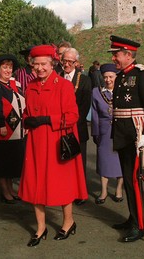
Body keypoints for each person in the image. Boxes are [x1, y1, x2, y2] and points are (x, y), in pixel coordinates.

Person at [18, 45, 87, 247]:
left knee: (62, 184)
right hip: (36, 143)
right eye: (36, 64)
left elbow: (73, 116)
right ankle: (41, 228)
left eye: (44, 64)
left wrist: (48, 119)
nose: (39, 68)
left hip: (57, 142)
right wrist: (26, 120)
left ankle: (68, 221)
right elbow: (28, 114)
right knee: (35, 184)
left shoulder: (64, 86)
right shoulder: (30, 87)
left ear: (52, 64)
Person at [108, 35, 144, 242]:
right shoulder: (121, 76)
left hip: (136, 137)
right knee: (128, 180)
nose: (113, 59)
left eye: (116, 55)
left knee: (134, 181)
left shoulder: (143, 75)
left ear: (128, 55)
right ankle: (133, 217)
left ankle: (139, 226)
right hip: (122, 135)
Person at [0, 54, 25, 204]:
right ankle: (5, 191)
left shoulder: (14, 85)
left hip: (17, 130)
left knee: (12, 162)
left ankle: (10, 189)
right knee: (3, 162)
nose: (8, 70)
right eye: (5, 67)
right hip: (4, 130)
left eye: (10, 67)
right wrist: (1, 124)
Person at [61, 47, 91, 205]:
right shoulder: (58, 77)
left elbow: (85, 106)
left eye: (70, 62)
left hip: (77, 127)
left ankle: (80, 193)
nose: (66, 64)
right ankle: (65, 190)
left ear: (76, 63)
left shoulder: (84, 80)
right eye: (64, 61)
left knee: (79, 162)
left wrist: (70, 123)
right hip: (59, 127)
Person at [91, 63, 123, 204]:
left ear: (116, 76)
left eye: (111, 76)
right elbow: (94, 114)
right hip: (104, 132)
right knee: (104, 161)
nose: (108, 80)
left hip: (121, 131)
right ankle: (103, 191)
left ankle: (119, 189)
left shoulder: (122, 91)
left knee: (120, 161)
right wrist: (96, 133)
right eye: (105, 77)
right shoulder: (96, 92)